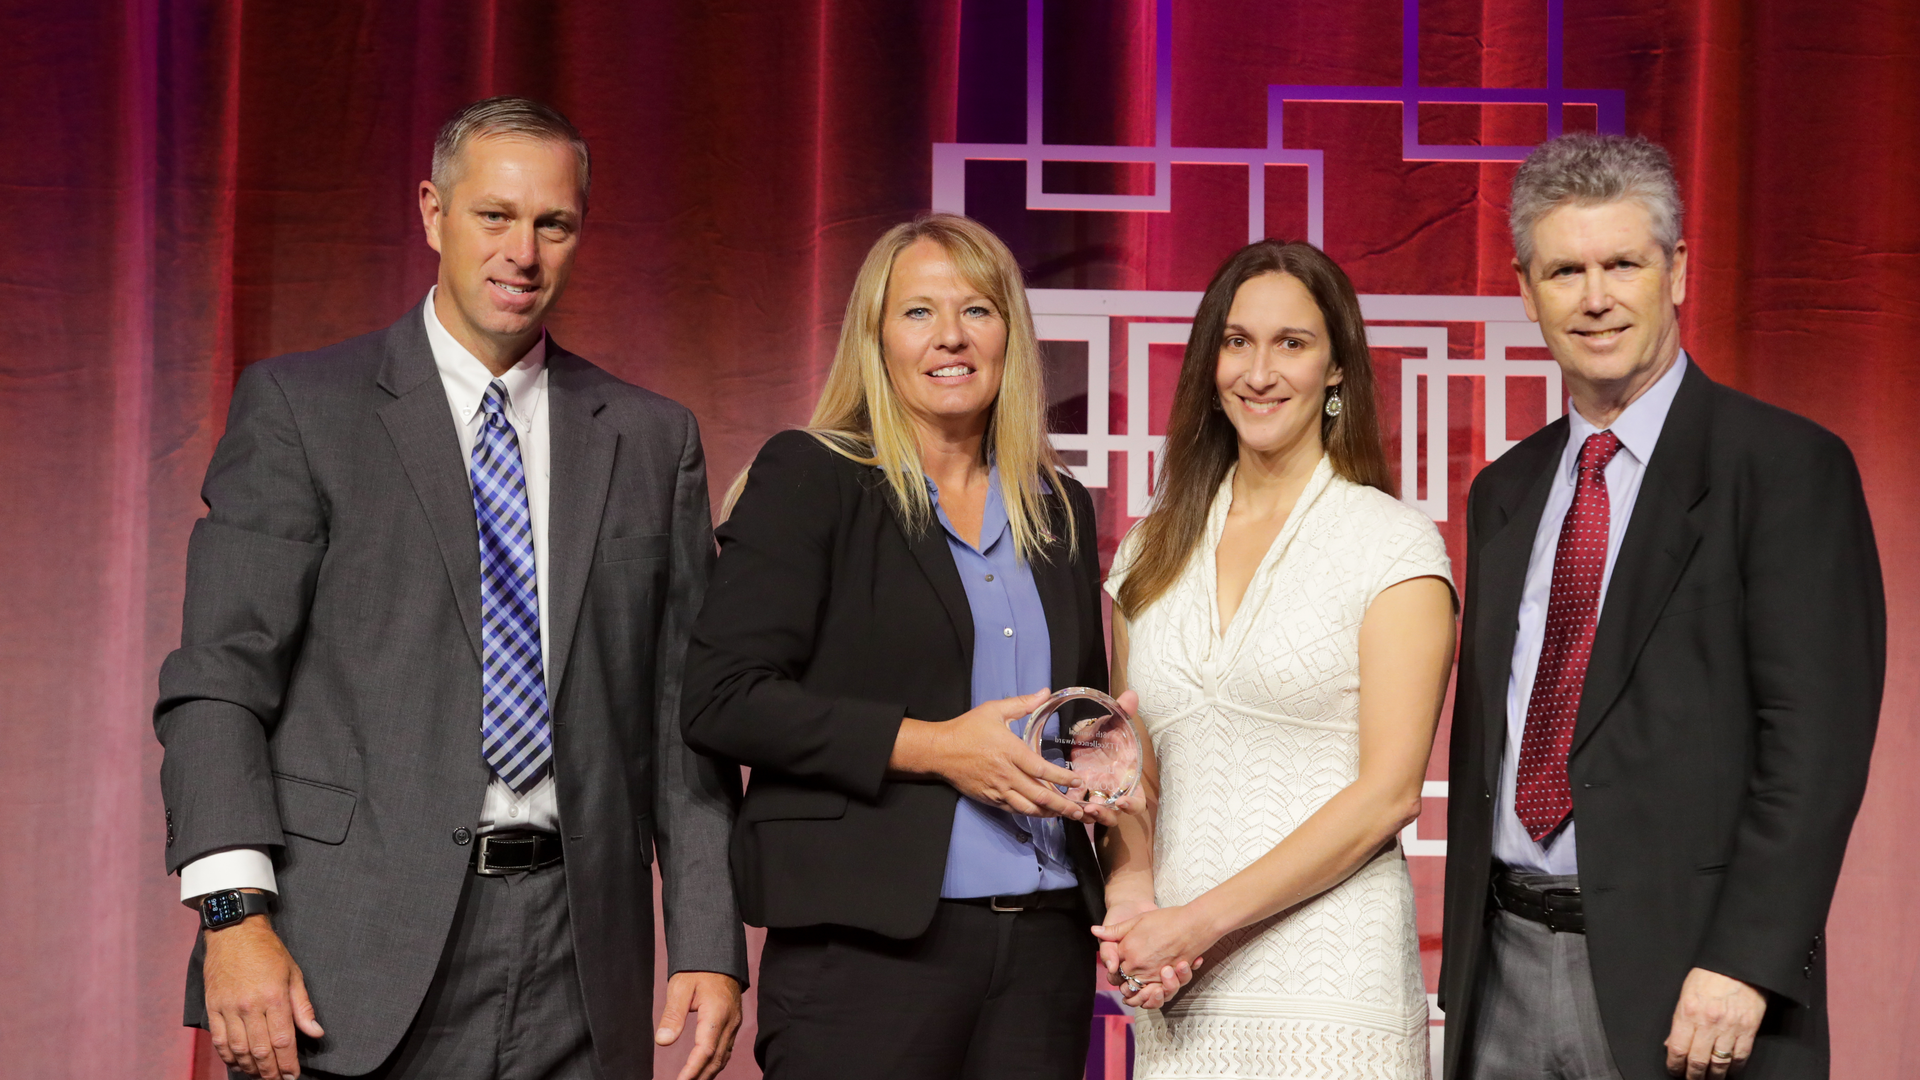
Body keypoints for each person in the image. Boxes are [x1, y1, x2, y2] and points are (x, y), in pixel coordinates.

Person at [154, 97, 747, 1080]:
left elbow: (683, 721)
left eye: (552, 223)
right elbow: (218, 685)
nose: (523, 250)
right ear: (433, 213)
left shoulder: (650, 440)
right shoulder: (304, 410)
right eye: (494, 215)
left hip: (578, 960)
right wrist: (232, 917)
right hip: (343, 955)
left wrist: (710, 944)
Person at [1439, 133, 1884, 1080]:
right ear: (1526, 291)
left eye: (1622, 265)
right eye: (1565, 270)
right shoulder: (1503, 493)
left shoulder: (1785, 470)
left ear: (1676, 271)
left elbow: (1814, 746)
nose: (1595, 298)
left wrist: (1743, 962)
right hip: (1503, 972)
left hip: (1694, 983)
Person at [681, 213, 1133, 1080]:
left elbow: (1073, 711)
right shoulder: (812, 477)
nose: (951, 337)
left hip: (1043, 953)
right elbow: (722, 695)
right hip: (868, 953)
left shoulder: (1059, 506)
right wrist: (935, 748)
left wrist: (1108, 748)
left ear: (1012, 336)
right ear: (877, 339)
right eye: (919, 312)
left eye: (978, 310)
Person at [1093, 239, 1458, 1078]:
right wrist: (1134, 896)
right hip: (1180, 990)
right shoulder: (1149, 551)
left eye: (1291, 343)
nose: (1259, 372)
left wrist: (1200, 921)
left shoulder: (1391, 543)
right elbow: (1128, 770)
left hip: (1333, 987)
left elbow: (1388, 793)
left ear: (1337, 370)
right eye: (1236, 342)